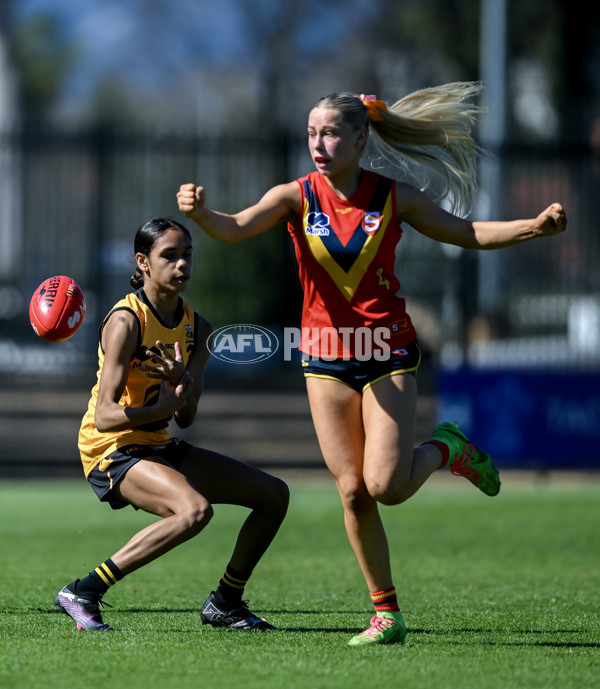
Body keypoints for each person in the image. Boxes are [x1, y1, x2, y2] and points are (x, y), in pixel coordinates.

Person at [176, 82, 567, 646]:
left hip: (386, 355)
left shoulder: (393, 196)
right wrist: (201, 212)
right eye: (312, 133)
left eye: (331, 132)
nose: (319, 142)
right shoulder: (295, 195)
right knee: (353, 490)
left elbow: (468, 232)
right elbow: (235, 228)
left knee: (385, 485)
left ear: (361, 139)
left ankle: (447, 448)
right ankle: (387, 615)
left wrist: (534, 227)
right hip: (324, 360)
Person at [54, 217, 290, 632]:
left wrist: (181, 386)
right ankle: (85, 590)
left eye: (187, 256)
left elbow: (187, 416)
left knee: (274, 494)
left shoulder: (199, 329)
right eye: (170, 256)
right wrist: (159, 405)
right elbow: (105, 416)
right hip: (110, 448)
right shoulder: (126, 322)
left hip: (156, 442)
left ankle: (226, 602)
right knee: (194, 511)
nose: (182, 265)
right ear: (143, 263)